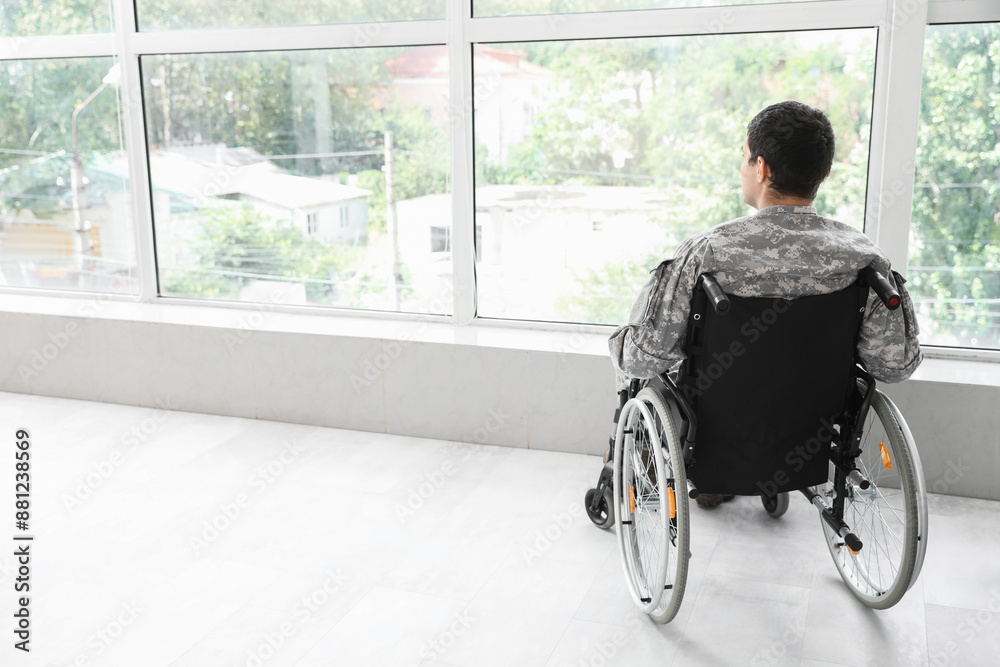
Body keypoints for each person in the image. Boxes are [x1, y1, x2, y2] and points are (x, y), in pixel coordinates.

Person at [607, 100, 922, 508]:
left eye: (744, 157)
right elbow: (894, 365)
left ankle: (685, 474)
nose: (742, 169)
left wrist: (617, 343)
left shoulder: (706, 252)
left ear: (762, 168)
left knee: (639, 365)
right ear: (821, 173)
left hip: (715, 426)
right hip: (809, 422)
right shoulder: (864, 259)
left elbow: (643, 357)